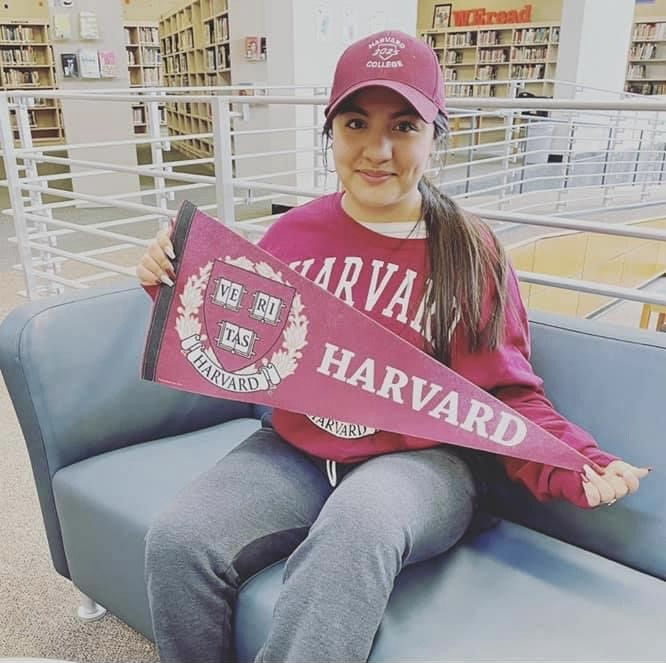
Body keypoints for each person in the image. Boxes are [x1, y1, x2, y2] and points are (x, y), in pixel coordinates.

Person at [136, 30, 649, 663]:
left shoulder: (470, 250)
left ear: (436, 134)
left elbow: (506, 393)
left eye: (404, 126)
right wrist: (170, 279)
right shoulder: (293, 234)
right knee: (178, 539)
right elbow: (236, 337)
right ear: (331, 131)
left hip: (426, 464)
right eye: (356, 122)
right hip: (296, 450)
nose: (378, 149)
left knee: (359, 525)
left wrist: (572, 459)